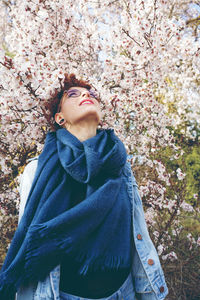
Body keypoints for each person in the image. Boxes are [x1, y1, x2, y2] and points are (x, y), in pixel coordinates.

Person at [0, 74, 168, 300]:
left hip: (124, 291)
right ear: (60, 118)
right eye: (73, 94)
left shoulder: (119, 164)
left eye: (90, 93)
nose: (86, 95)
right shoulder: (37, 170)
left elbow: (137, 233)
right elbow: (29, 237)